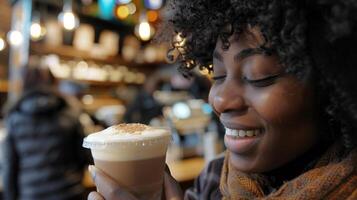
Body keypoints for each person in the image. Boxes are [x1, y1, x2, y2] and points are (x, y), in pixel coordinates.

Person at [87, 0, 357, 199]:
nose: (219, 100)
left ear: (332, 82)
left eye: (258, 76)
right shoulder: (212, 182)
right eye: (218, 75)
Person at [3, 66, 92, 200]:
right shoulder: (70, 111)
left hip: (31, 193)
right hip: (69, 191)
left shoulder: (14, 117)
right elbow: (84, 155)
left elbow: (10, 166)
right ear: (53, 82)